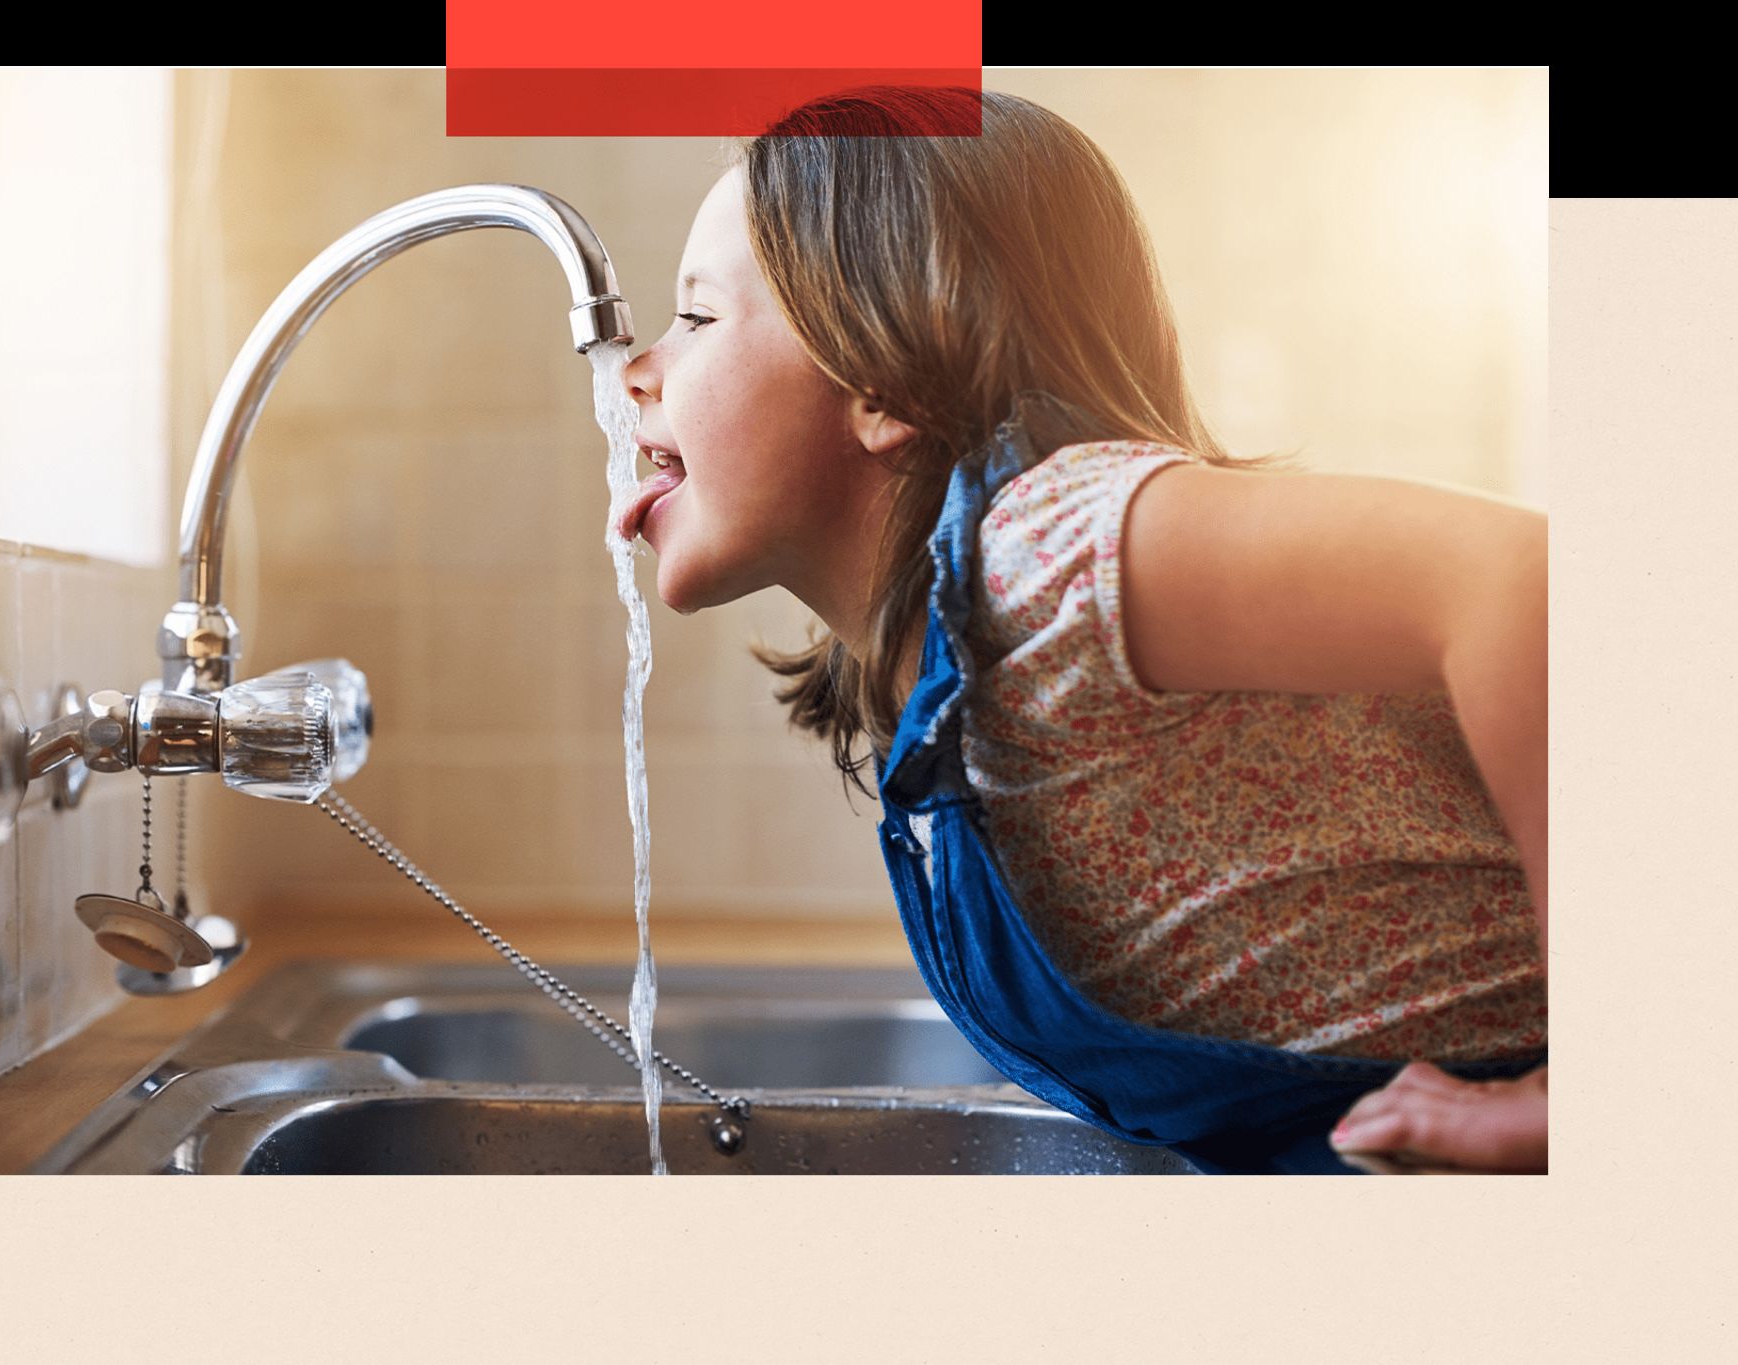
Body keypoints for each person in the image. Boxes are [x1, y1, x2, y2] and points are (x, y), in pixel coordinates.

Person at [615, 85, 1546, 1174]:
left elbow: (1517, 581)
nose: (635, 368)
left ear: (880, 374)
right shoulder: (947, 673)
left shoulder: (1050, 550)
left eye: (695, 317)